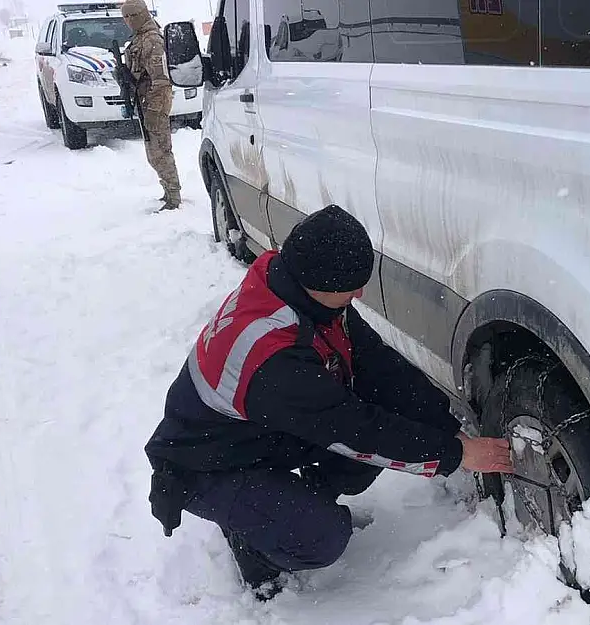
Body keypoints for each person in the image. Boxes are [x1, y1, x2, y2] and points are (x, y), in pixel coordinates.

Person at [144, 205, 514, 599]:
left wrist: (444, 426)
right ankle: (255, 540)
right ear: (317, 279)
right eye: (351, 286)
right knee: (323, 535)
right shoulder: (271, 358)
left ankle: (291, 501)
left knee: (380, 420)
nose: (359, 293)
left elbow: (378, 366)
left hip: (256, 432)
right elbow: (358, 432)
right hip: (205, 464)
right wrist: (455, 455)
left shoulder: (298, 290)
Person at [119, 0, 181, 211]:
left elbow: (162, 81)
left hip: (155, 102)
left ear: (143, 14)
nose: (129, 21)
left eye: (133, 16)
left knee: (161, 150)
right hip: (146, 100)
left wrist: (154, 110)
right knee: (153, 152)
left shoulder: (152, 40)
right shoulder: (139, 39)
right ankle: (167, 190)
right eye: (126, 17)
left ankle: (174, 196)